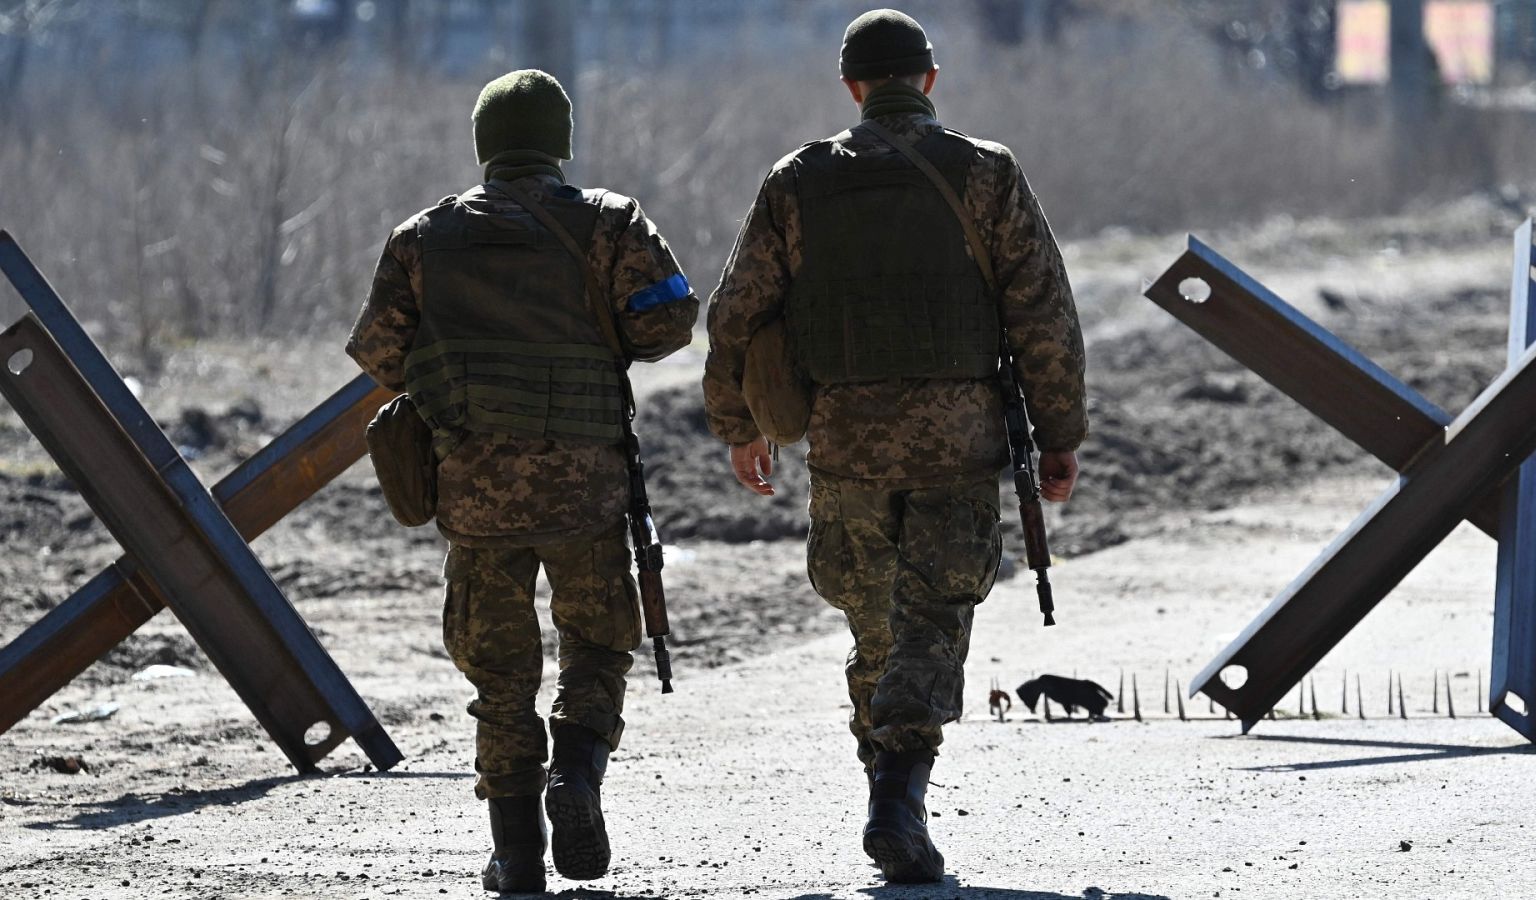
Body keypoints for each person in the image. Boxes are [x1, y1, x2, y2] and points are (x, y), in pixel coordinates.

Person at [701, 9, 1087, 884]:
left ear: (852, 87)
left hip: (845, 441)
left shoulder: (797, 181)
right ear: (929, 80)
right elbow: (1043, 313)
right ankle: (899, 797)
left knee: (875, 620)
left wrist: (739, 426)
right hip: (958, 438)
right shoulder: (986, 173)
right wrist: (1059, 432)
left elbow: (736, 317)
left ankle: (887, 787)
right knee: (933, 616)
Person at [347, 69, 697, 894]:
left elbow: (382, 355)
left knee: (500, 678)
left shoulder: (422, 237)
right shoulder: (611, 222)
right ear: (558, 143)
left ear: (485, 145)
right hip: (586, 488)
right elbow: (670, 322)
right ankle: (575, 772)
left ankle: (515, 855)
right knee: (598, 644)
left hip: (475, 492)